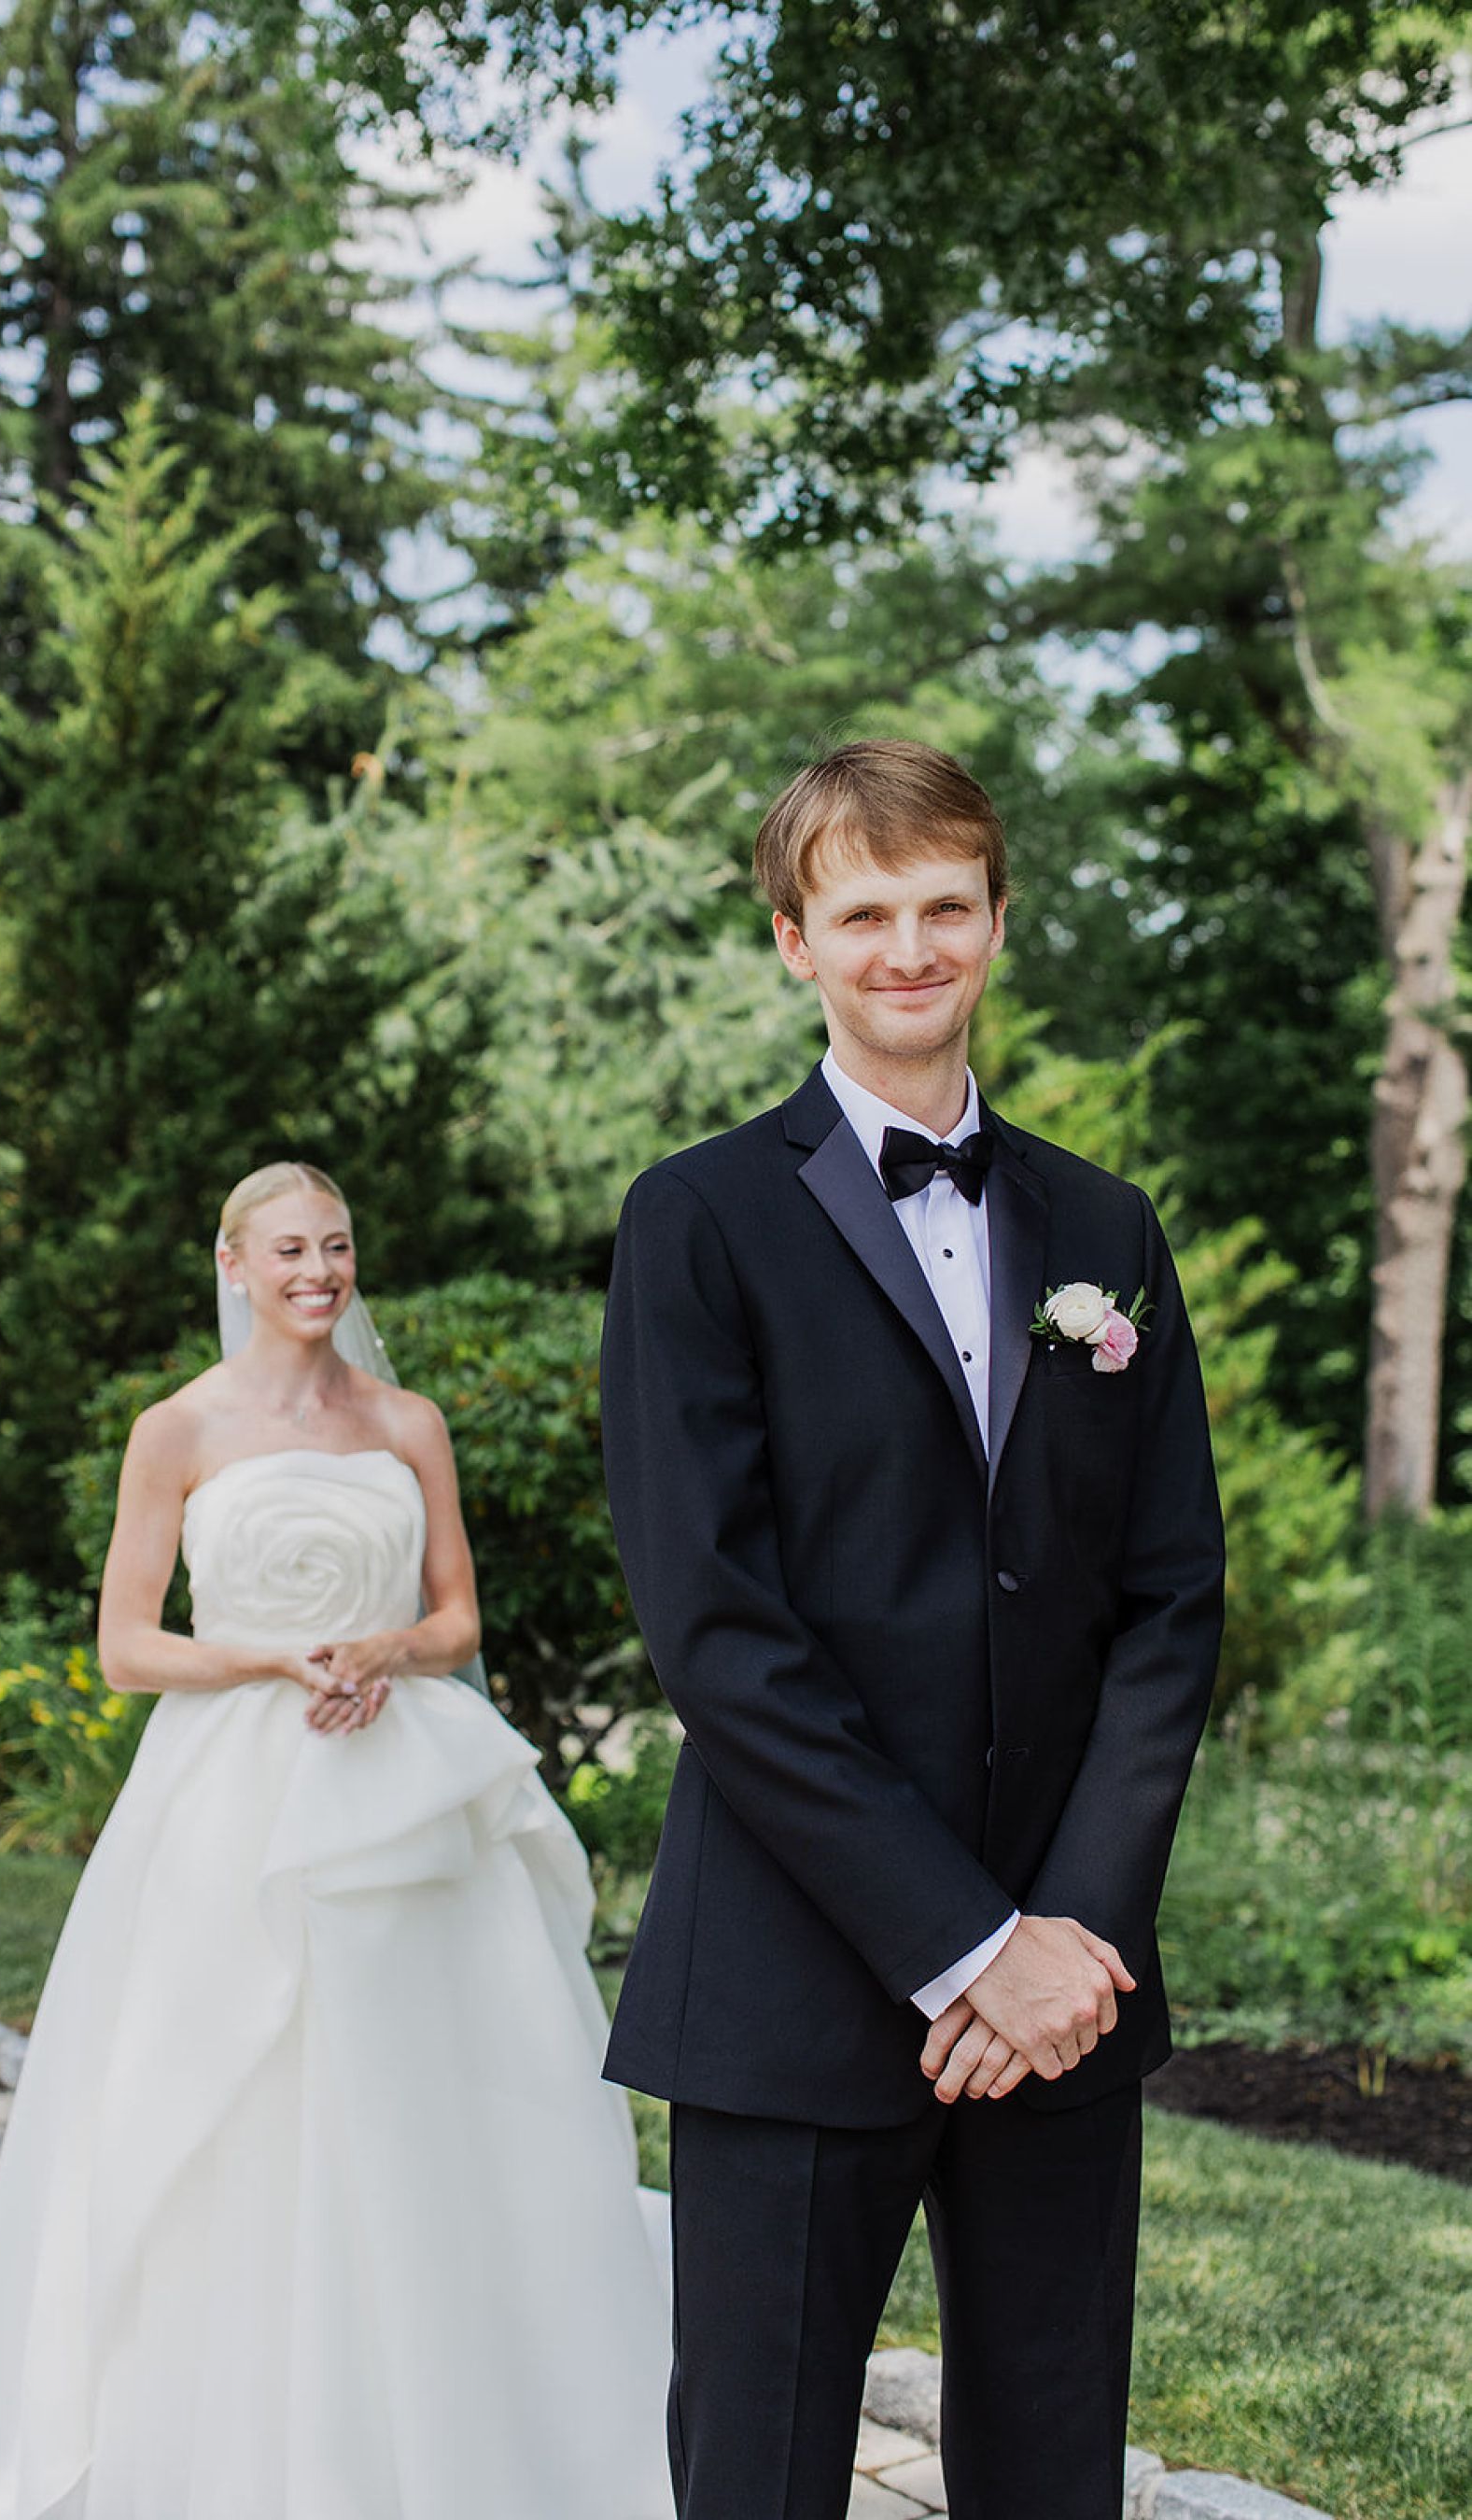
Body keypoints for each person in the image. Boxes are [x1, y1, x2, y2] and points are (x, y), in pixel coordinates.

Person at [0, 1161, 671, 2520]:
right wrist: (268, 1662)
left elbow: (458, 1623)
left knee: (420, 2085)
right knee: (233, 2079)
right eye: (289, 1251)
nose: (317, 1272)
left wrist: (388, 1647)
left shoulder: (409, 1422)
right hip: (234, 1794)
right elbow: (125, 1646)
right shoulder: (178, 1430)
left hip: (404, 1793)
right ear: (234, 1267)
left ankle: (445, 2399)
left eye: (336, 1248)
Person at [598, 740, 1225, 2520]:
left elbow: (1170, 1601)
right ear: (796, 939)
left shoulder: (1107, 1228)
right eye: (863, 911)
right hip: (800, 1973)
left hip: (1068, 1999)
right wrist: (965, 1945)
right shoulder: (698, 1221)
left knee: (1050, 2474)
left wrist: (1072, 1935)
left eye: (945, 905)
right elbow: (718, 1629)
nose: (909, 946)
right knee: (766, 2478)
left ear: (999, 924)